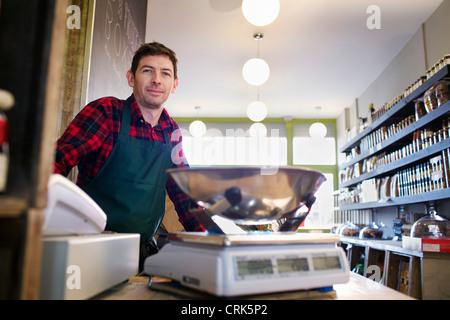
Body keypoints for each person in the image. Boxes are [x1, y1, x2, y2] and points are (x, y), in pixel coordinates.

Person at [53, 42, 204, 270]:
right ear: (131, 78)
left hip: (141, 254)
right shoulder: (105, 112)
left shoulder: (171, 132)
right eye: (147, 70)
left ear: (174, 85)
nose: (156, 79)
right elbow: (57, 161)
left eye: (165, 73)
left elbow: (184, 194)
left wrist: (212, 239)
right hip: (89, 249)